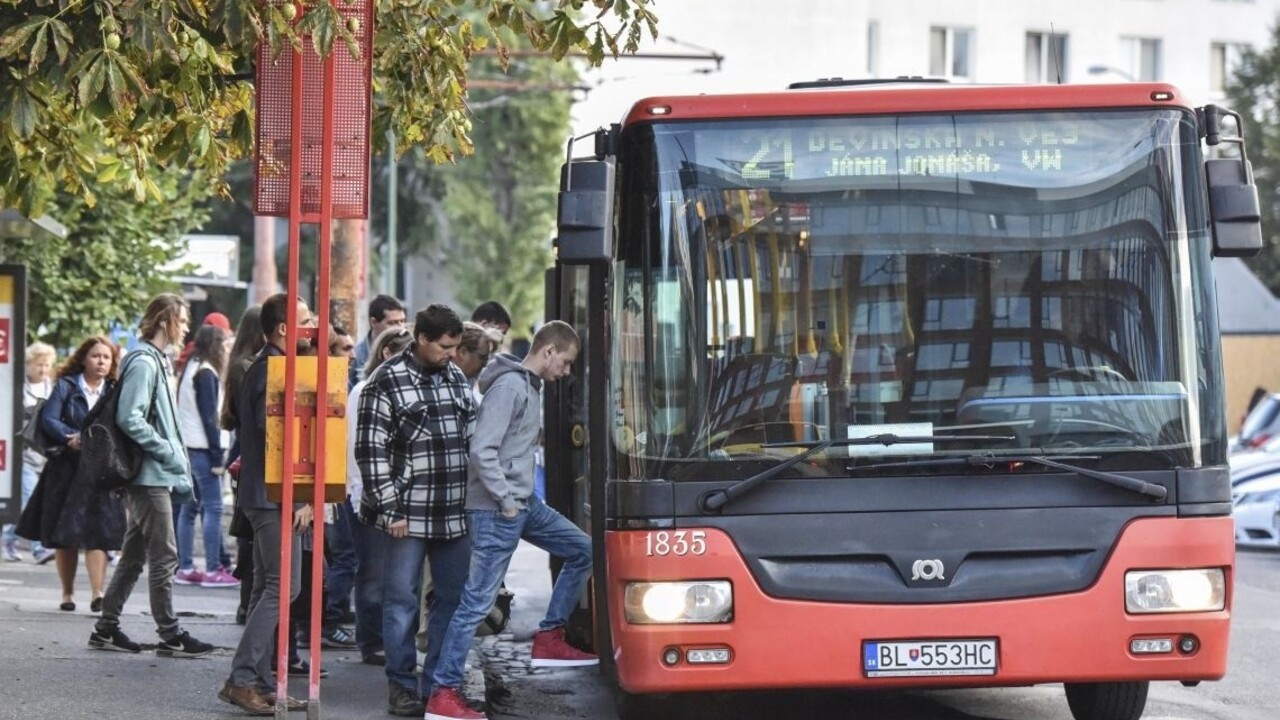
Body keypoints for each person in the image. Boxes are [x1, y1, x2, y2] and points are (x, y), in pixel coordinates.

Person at [425, 321, 594, 720]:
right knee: (475, 604)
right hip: (498, 508)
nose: (566, 371)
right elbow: (482, 450)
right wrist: (505, 501)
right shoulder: (510, 388)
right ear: (549, 351)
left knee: (583, 550)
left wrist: (517, 501)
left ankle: (550, 637)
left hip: (519, 502)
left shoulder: (527, 386)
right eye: (566, 363)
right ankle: (442, 694)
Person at [355, 304, 476, 717]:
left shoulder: (455, 376)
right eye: (445, 346)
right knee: (401, 602)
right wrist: (391, 511)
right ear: (422, 338)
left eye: (457, 347)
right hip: (406, 514)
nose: (452, 354)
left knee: (453, 599)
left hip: (454, 512)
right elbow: (370, 454)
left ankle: (438, 684)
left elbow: (471, 434)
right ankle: (402, 685)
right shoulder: (384, 382)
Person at [89, 294, 213, 658]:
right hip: (148, 474)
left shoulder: (154, 360)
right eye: (183, 320)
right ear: (165, 321)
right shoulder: (144, 362)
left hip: (152, 471)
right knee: (165, 555)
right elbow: (130, 417)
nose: (187, 327)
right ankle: (170, 633)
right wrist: (168, 449)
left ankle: (106, 627)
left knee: (133, 557)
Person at [219, 292, 315, 714]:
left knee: (266, 586)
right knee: (284, 586)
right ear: (282, 329)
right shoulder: (273, 369)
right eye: (306, 320)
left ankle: (256, 680)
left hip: (264, 494)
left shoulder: (265, 366)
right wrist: (299, 497)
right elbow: (279, 441)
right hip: (274, 496)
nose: (311, 328)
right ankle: (243, 679)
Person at [16, 336, 127, 611]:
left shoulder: (114, 389)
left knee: (99, 532)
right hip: (66, 468)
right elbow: (49, 419)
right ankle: (67, 594)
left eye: (106, 357)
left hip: (101, 470)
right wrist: (70, 437)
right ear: (83, 359)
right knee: (65, 533)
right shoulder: (66, 385)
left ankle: (98, 593)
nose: (101, 361)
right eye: (95, 356)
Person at [346, 325, 414, 667]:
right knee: (373, 572)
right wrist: (363, 492)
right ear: (387, 352)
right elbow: (359, 449)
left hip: (390, 495)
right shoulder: (365, 390)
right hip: (367, 495)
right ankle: (370, 640)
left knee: (390, 575)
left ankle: (383, 639)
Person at [174, 324, 238, 588]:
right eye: (222, 345)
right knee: (212, 508)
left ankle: (186, 566)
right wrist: (216, 457)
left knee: (189, 509)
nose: (225, 350)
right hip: (204, 449)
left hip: (189, 446)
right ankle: (213, 569)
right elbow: (210, 417)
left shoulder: (191, 367)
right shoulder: (207, 373)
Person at [222, 305, 264, 624]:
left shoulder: (243, 364)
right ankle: (246, 601)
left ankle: (247, 600)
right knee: (249, 533)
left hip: (245, 449)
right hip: (249, 452)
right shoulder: (246, 367)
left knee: (250, 533)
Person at [3, 341, 56, 563]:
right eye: (38, 365)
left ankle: (7, 537)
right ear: (27, 365)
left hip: (41, 454)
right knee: (29, 498)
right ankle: (38, 547)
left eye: (46, 365)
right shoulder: (16, 386)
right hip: (21, 453)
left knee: (32, 500)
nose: (43, 370)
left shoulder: (50, 387)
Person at [353, 294, 407, 384]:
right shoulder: (356, 356)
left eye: (402, 321)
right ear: (373, 322)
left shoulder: (409, 352)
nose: (400, 327)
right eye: (392, 323)